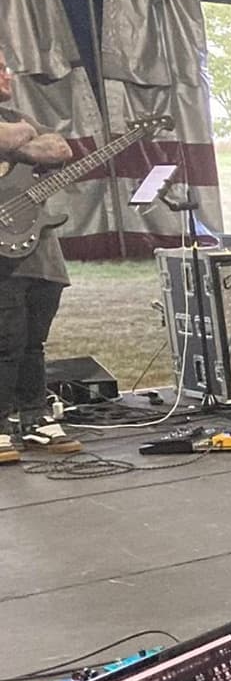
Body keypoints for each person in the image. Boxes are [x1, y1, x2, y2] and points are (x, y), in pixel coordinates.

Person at [0, 43, 79, 465]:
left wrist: (19, 141)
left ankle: (33, 419)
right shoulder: (20, 125)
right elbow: (15, 138)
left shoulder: (20, 117)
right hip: (3, 261)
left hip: (40, 254)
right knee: (5, 343)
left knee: (33, 343)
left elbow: (60, 150)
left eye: (8, 69)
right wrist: (22, 141)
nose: (7, 76)